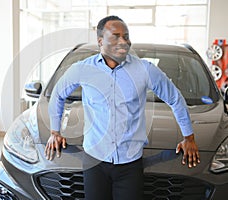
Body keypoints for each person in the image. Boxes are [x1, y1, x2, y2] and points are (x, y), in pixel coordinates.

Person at [45, 15, 200, 200]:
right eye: (116, 36)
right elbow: (57, 95)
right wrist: (55, 132)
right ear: (100, 41)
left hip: (130, 164)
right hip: (94, 160)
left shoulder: (145, 70)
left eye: (126, 36)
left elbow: (175, 98)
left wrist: (188, 137)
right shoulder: (82, 69)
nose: (123, 41)